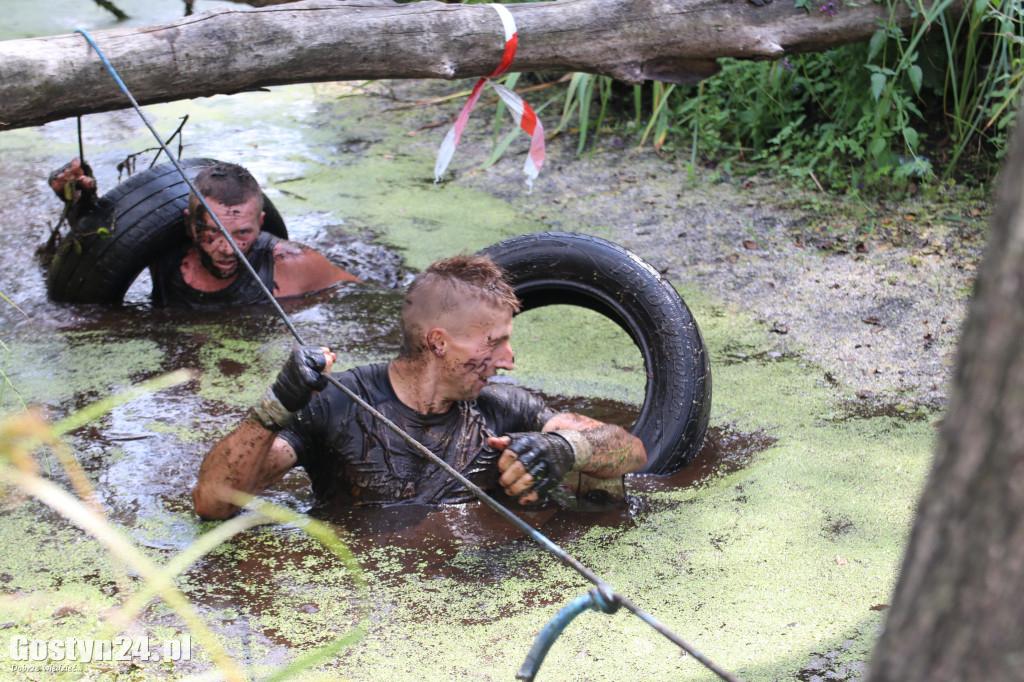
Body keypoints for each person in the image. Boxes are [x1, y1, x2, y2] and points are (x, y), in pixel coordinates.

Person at [192, 254, 647, 520]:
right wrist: (278, 405)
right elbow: (214, 501)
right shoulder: (336, 404)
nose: (509, 360)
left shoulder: (504, 409)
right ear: (438, 343)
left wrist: (566, 451)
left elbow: (631, 451)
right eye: (495, 343)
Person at [49, 158, 359, 307]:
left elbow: (360, 296)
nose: (228, 248)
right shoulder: (163, 257)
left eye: (242, 233)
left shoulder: (293, 263)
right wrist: (79, 205)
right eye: (212, 232)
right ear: (188, 225)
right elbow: (102, 258)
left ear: (261, 222)